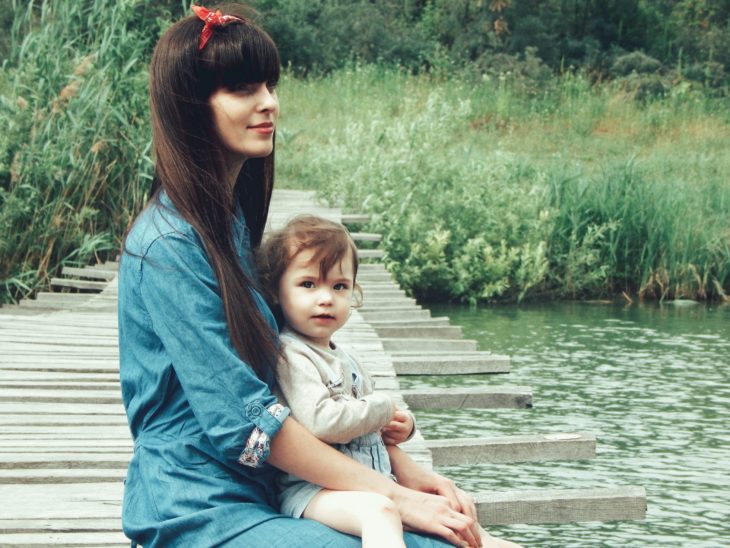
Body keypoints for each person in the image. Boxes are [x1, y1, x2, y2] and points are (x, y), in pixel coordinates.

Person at [118, 4, 488, 547]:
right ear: (192, 107)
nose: (269, 102)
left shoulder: (231, 224)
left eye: (270, 84)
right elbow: (245, 421)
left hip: (276, 491)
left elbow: (296, 388)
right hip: (198, 509)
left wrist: (401, 471)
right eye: (244, 88)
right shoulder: (168, 247)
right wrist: (396, 498)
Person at [257, 216, 522, 548]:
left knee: (460, 517)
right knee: (380, 511)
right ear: (276, 290)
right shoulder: (292, 355)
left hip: (371, 479)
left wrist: (403, 424)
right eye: (308, 284)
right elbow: (323, 421)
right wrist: (382, 407)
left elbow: (374, 425)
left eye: (339, 286)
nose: (326, 298)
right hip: (314, 492)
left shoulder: (347, 358)